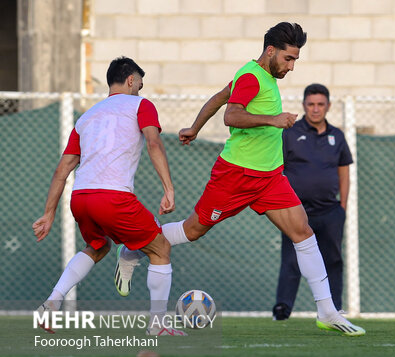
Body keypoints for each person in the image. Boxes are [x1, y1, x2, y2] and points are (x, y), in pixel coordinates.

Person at [115, 22, 365, 336]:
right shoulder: (251, 76)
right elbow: (231, 113)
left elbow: (220, 97)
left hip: (270, 177)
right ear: (271, 51)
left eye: (295, 61)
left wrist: (195, 127)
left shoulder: (261, 75)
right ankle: (135, 246)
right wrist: (273, 120)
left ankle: (327, 311)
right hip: (235, 176)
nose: (291, 66)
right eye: (288, 59)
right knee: (192, 230)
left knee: (303, 231)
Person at [33, 57, 186, 336]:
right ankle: (158, 324)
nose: (141, 87)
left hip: (80, 198)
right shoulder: (141, 105)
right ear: (130, 80)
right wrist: (169, 188)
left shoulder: (87, 116)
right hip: (112, 198)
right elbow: (153, 142)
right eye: (140, 82)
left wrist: (49, 213)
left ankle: (52, 303)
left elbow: (63, 168)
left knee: (98, 246)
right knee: (160, 248)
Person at [272, 83, 352, 321]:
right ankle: (282, 309)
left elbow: (344, 172)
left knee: (333, 260)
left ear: (328, 106)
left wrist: (342, 207)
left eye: (320, 104)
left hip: (330, 211)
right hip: (296, 211)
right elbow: (278, 168)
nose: (315, 109)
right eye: (311, 104)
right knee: (291, 260)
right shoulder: (290, 133)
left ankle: (334, 309)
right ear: (304, 105)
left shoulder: (337, 135)